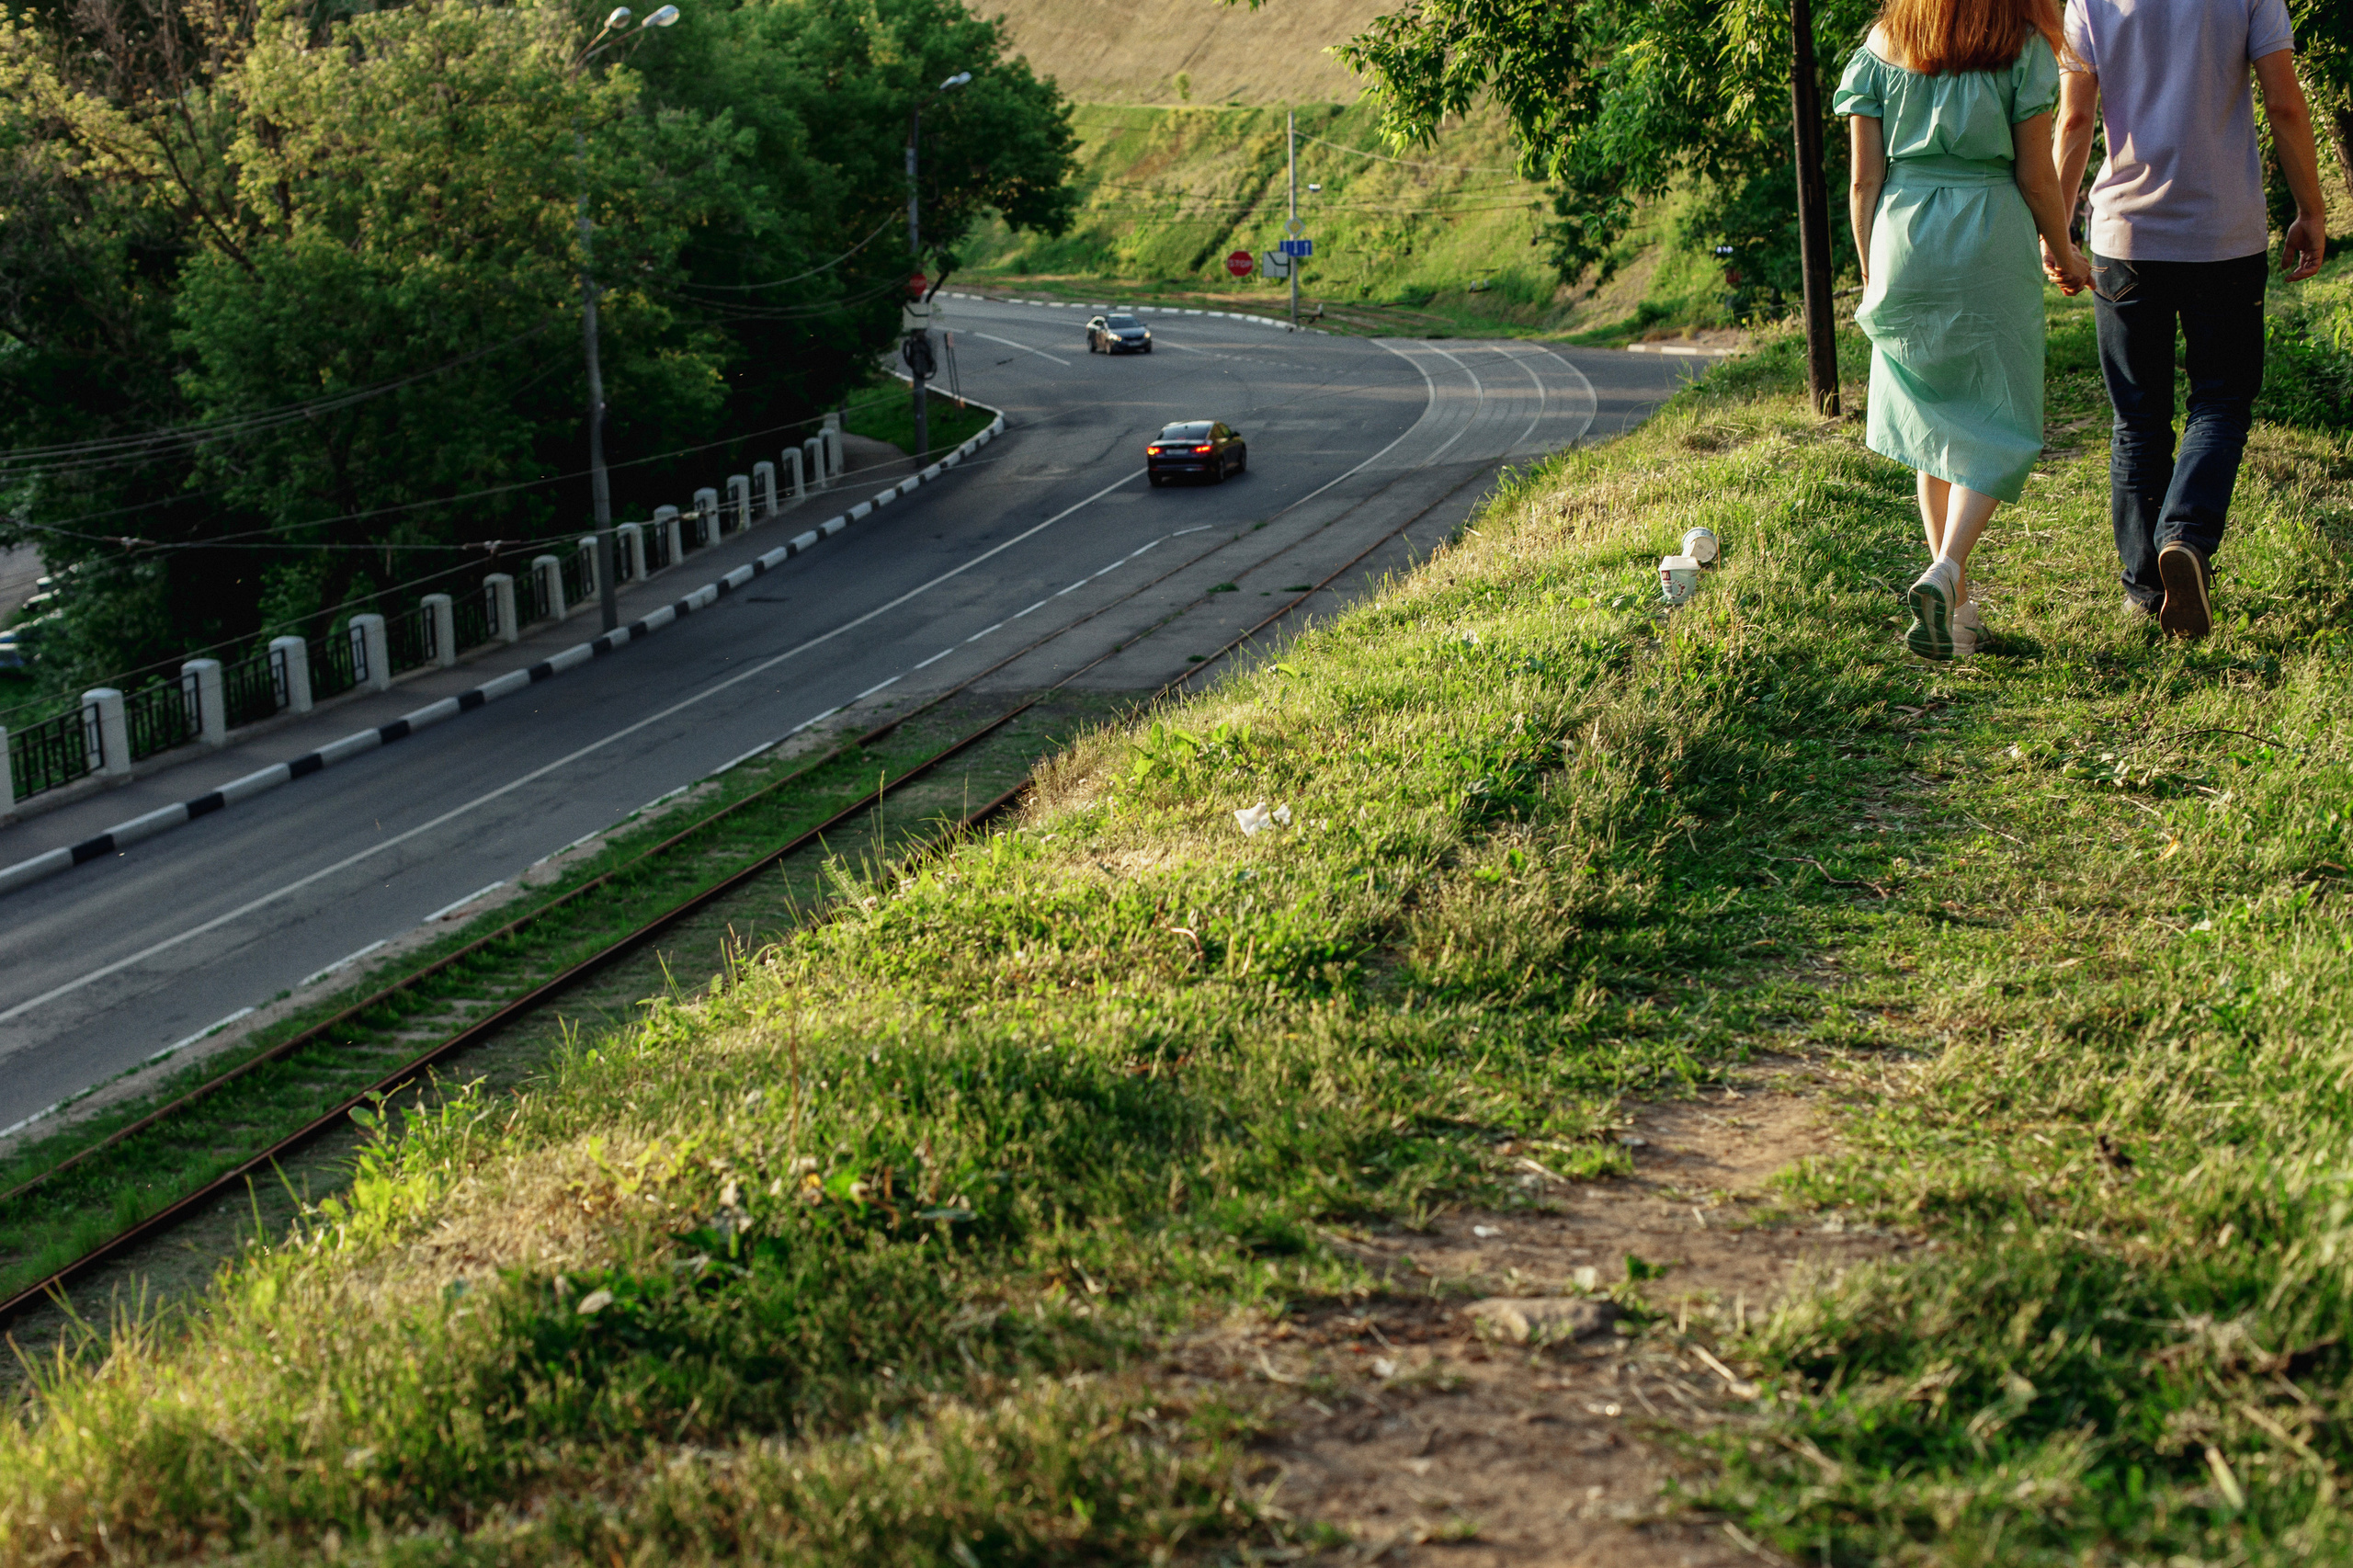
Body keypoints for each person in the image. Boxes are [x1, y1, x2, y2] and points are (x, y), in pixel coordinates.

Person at [2051, 0, 2326, 639]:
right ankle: (2187, 539)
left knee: (2138, 419)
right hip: (2223, 235)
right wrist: (2310, 208)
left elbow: (2075, 120)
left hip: (2124, 238)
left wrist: (2059, 229)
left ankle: (2145, 591)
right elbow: (2285, 104)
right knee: (2221, 401)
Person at [1839, 0, 2091, 662]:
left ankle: (1957, 614)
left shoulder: (1883, 42)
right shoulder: (2021, 47)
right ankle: (1948, 568)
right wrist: (2066, 256)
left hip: (1903, 233)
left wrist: (1872, 270)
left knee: (1932, 417)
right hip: (1988, 232)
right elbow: (2037, 177)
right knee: (2000, 416)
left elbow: (1864, 179)